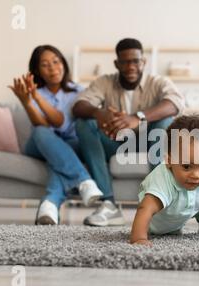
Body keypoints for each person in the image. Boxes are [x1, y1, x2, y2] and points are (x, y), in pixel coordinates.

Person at [72, 38, 185, 227]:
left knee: (166, 121)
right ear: (117, 63)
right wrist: (99, 113)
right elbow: (78, 106)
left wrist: (138, 117)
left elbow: (175, 103)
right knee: (84, 123)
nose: (131, 66)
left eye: (135, 61)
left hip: (151, 144)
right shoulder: (105, 82)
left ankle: (162, 202)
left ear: (143, 62)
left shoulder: (158, 82)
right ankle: (108, 204)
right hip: (117, 144)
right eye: (125, 62)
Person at [9, 45, 103, 225]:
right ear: (37, 70)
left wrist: (36, 98)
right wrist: (28, 100)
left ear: (63, 64)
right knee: (41, 132)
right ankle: (84, 181)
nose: (52, 68)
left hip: (71, 145)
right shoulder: (35, 91)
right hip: (40, 143)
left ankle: (49, 205)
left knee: (59, 157)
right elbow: (42, 124)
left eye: (56, 62)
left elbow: (61, 122)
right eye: (45, 65)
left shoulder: (78, 91)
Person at [129, 115, 199, 246]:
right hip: (159, 222)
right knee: (165, 230)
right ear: (169, 161)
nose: (196, 175)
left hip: (191, 205)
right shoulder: (162, 179)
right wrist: (139, 238)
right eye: (186, 166)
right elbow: (144, 209)